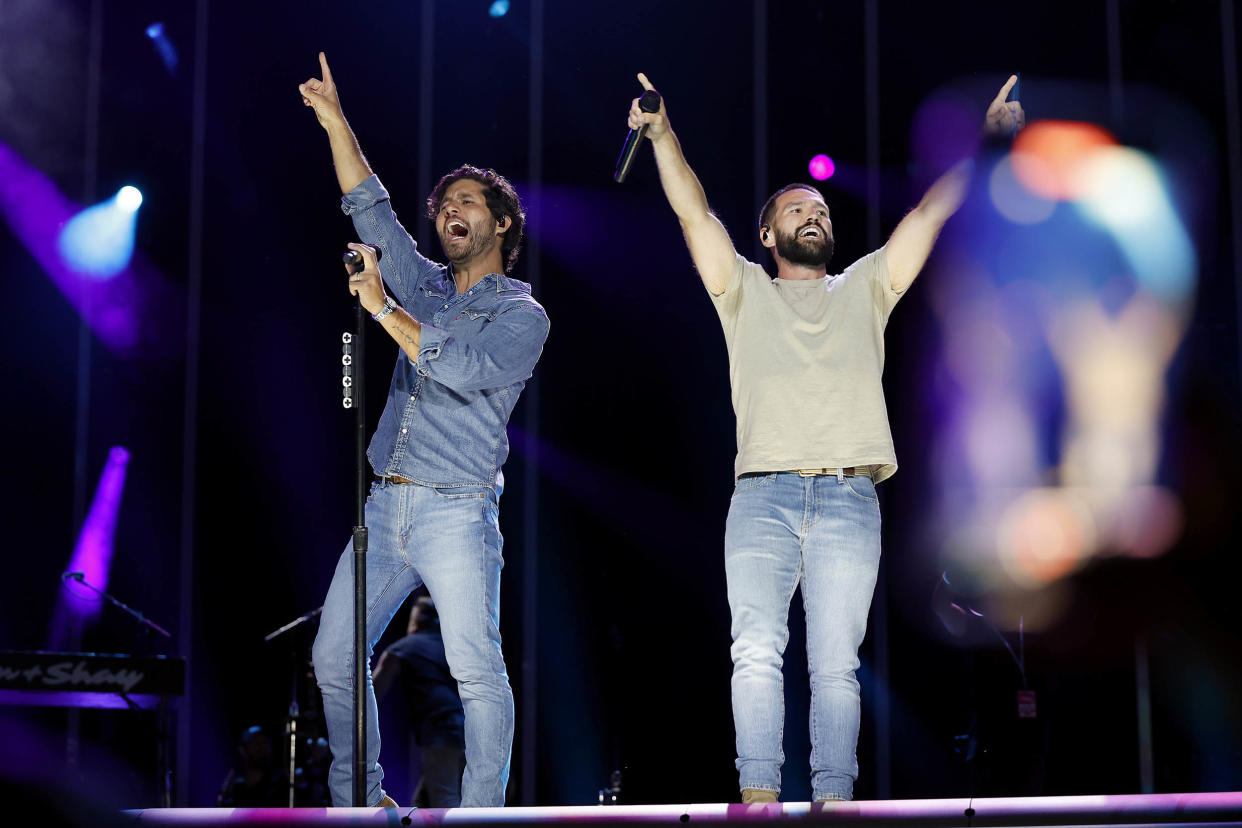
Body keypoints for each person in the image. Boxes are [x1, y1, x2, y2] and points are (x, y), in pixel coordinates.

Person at [627, 72, 1024, 802]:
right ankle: (757, 797)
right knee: (754, 651)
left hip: (848, 496)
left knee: (838, 663)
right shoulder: (743, 290)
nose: (813, 215)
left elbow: (929, 216)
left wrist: (985, 145)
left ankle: (834, 800)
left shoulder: (866, 286)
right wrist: (662, 134)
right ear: (767, 233)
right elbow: (693, 215)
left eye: (819, 209)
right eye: (796, 210)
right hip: (761, 499)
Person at [299, 52, 549, 808]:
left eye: (466, 201)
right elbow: (370, 208)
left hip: (456, 509)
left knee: (475, 667)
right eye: (443, 203)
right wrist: (337, 121)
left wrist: (381, 310)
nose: (449, 211)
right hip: (385, 505)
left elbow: (462, 368)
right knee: (334, 654)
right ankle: (361, 801)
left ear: (501, 223)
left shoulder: (521, 314)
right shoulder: (426, 289)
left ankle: (480, 813)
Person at [373, 596, 466, 808]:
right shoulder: (453, 647)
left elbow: (371, 696)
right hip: (470, 734)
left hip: (441, 734)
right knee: (423, 804)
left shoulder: (403, 649)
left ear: (414, 622)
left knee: (446, 804)